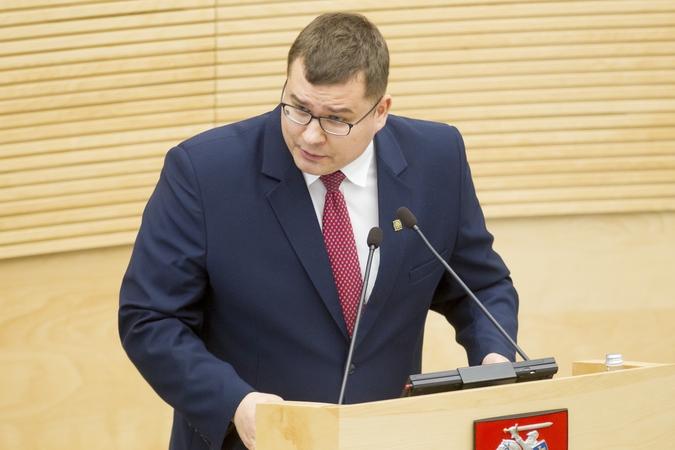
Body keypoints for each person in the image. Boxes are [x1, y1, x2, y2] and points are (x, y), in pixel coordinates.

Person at [119, 12, 519, 450]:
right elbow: (149, 318)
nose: (310, 136)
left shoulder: (436, 159)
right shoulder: (204, 173)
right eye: (298, 109)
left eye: (335, 119)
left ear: (380, 111)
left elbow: (479, 285)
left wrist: (494, 358)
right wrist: (236, 403)